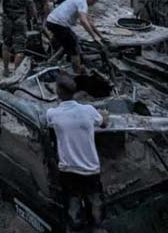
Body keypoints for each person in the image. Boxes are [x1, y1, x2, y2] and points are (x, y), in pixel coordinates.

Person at [46, 73, 109, 231]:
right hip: (91, 169)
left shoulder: (53, 114)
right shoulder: (88, 110)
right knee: (96, 206)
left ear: (58, 92)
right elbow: (104, 123)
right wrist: (104, 114)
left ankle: (75, 227)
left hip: (69, 171)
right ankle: (98, 228)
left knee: (73, 207)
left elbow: (48, 125)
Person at [45, 0, 104, 74]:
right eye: (95, 1)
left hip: (51, 21)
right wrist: (94, 37)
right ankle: (77, 72)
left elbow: (89, 22)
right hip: (59, 24)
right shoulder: (82, 2)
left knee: (70, 40)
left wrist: (101, 36)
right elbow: (83, 21)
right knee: (74, 48)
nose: (94, 4)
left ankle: (52, 60)